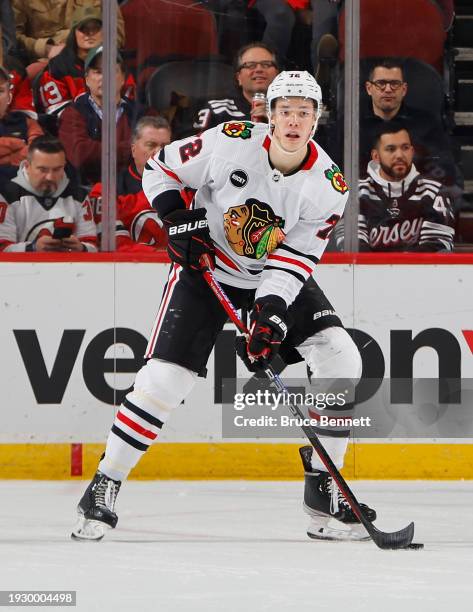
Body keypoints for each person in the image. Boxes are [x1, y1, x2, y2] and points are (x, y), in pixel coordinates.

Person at [71, 70, 376, 542]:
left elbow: (294, 258)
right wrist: (175, 217)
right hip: (206, 269)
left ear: (317, 120)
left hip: (269, 277)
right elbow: (160, 167)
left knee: (341, 356)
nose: (294, 121)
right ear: (269, 115)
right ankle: (103, 485)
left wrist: (270, 314)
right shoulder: (229, 141)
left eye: (305, 112)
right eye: (286, 111)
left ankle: (324, 489)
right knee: (163, 382)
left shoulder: (330, 185)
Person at [336, 121, 455, 252]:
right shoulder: (355, 193)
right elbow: (352, 246)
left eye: (405, 148)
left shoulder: (436, 192)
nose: (399, 155)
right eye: (390, 149)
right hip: (367, 272)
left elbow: (437, 245)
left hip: (419, 272)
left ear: (412, 151)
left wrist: (397, 268)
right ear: (376, 156)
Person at [360, 58, 460, 194]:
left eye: (395, 84)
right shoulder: (350, 124)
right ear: (369, 88)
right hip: (363, 200)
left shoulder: (427, 124)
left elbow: (444, 169)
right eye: (381, 83)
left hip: (415, 201)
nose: (388, 89)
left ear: (404, 89)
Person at [58, 45, 145, 186]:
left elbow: (152, 152)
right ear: (86, 79)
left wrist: (98, 151)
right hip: (90, 193)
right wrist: (132, 149)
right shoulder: (72, 114)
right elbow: (80, 155)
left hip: (136, 190)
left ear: (123, 78)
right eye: (98, 72)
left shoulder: (141, 113)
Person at [37, 5, 135, 122]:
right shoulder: (58, 67)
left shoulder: (118, 62)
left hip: (117, 129)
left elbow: (130, 105)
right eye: (83, 29)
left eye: (95, 28)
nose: (89, 33)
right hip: (72, 131)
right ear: (74, 33)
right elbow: (56, 113)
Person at [0, 135, 97, 252]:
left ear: (64, 167)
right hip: (22, 271)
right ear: (27, 166)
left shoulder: (79, 195)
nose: (50, 177)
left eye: (57, 169)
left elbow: (92, 245)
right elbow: (2, 249)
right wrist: (32, 248)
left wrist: (82, 248)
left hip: (70, 269)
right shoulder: (6, 195)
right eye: (43, 169)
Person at [88, 115, 170, 250]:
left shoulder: (188, 188)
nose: (159, 152)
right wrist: (162, 256)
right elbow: (116, 245)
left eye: (165, 146)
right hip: (130, 268)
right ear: (133, 150)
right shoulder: (107, 190)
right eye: (151, 145)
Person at [12, 0, 125, 75]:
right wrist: (46, 48)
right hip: (47, 62)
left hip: (93, 58)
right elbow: (14, 38)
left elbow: (117, 34)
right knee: (32, 72)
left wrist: (92, 53)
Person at [190, 42, 279, 135]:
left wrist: (274, 121)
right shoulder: (216, 109)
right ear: (238, 78)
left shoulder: (292, 110)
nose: (259, 69)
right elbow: (198, 146)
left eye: (266, 64)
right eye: (250, 65)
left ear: (277, 74)